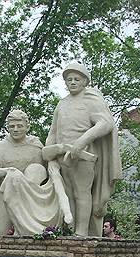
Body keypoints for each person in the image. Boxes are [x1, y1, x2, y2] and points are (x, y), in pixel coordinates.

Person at [45, 61, 122, 236]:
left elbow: (106, 123)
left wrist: (81, 142)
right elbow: (53, 131)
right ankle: (72, 230)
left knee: (82, 192)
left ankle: (81, 233)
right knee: (68, 193)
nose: (72, 82)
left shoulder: (91, 100)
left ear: (84, 81)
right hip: (62, 156)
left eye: (76, 79)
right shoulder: (62, 104)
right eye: (69, 79)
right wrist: (49, 151)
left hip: (84, 156)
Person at [0, 109, 69, 235]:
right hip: (6, 195)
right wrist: (8, 171)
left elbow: (47, 170)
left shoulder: (35, 145)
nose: (16, 129)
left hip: (31, 200)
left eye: (19, 126)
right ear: (7, 128)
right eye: (12, 126)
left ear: (27, 127)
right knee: (2, 236)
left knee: (36, 169)